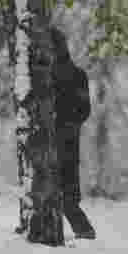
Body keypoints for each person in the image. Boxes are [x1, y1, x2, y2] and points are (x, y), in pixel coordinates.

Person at [51, 27, 96, 240]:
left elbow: (83, 110)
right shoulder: (78, 75)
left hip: (63, 141)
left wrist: (65, 126)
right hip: (63, 141)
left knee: (65, 195)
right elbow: (84, 111)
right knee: (63, 193)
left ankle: (84, 232)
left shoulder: (73, 76)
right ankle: (77, 231)